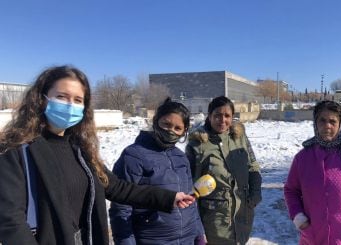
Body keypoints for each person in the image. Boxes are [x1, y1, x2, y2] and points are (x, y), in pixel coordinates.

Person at [0, 65, 194, 245]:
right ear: (42, 98)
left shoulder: (80, 149)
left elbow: (118, 188)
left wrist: (169, 198)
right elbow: (10, 221)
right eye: (61, 96)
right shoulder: (16, 150)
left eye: (77, 100)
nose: (70, 106)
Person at [109, 98, 205, 245]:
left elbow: (191, 202)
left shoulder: (181, 158)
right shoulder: (134, 155)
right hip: (152, 239)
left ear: (184, 131)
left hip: (187, 239)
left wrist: (199, 234)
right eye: (166, 124)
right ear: (156, 121)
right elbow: (121, 208)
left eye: (177, 128)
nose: (171, 131)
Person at [284, 100, 341, 245]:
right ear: (315, 123)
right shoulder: (303, 158)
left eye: (332, 121)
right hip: (314, 237)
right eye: (322, 120)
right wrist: (300, 220)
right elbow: (291, 191)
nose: (327, 126)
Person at [186, 96, 262, 245]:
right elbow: (189, 185)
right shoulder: (197, 144)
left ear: (232, 117)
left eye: (227, 115)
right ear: (209, 116)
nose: (222, 120)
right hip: (214, 220)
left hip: (242, 215)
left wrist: (255, 193)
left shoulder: (239, 137)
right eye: (217, 115)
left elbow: (252, 166)